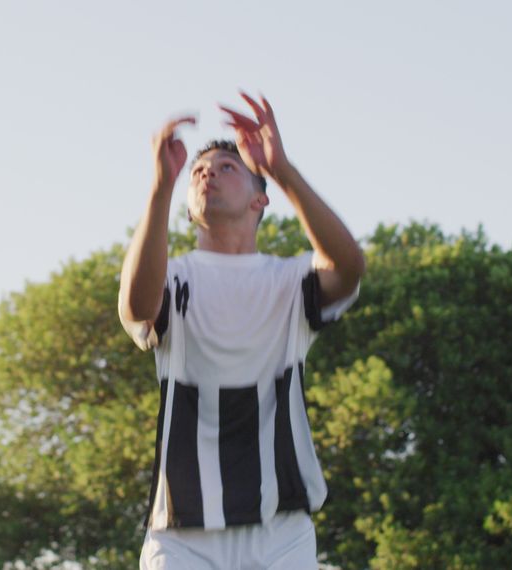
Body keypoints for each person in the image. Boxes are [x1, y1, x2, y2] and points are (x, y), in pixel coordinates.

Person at [119, 93, 366, 569]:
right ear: (188, 208)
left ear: (260, 198)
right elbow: (136, 306)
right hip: (182, 532)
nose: (207, 172)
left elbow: (350, 266)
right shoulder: (170, 275)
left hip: (281, 530)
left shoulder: (291, 278)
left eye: (226, 166)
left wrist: (283, 169)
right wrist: (159, 188)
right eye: (197, 170)